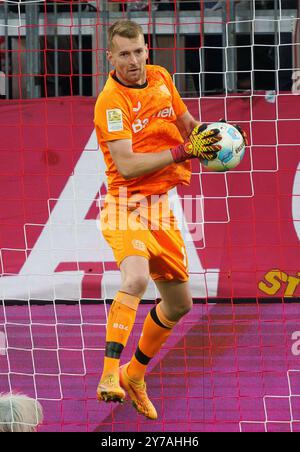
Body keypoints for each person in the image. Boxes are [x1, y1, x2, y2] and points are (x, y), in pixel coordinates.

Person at [94, 19, 247, 420]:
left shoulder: (161, 77)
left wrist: (214, 141)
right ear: (110, 57)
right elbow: (126, 165)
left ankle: (134, 374)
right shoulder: (111, 101)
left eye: (138, 51)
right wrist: (183, 152)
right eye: (123, 54)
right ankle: (109, 374)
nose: (133, 61)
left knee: (179, 304)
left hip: (161, 208)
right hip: (125, 204)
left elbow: (189, 127)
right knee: (136, 278)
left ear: (148, 50)